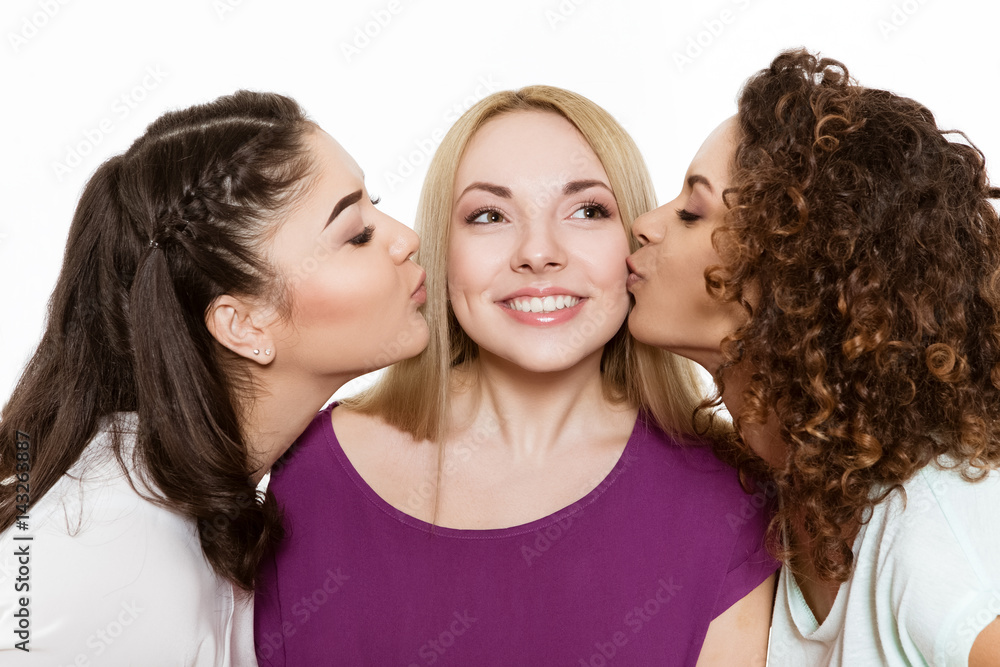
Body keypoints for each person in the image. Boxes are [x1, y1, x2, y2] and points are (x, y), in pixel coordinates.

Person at [254, 85, 778, 666]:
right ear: (441, 251)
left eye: (587, 211)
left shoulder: (731, 498)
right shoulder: (312, 472)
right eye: (490, 215)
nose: (538, 252)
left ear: (634, 242)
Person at [0, 90, 428, 665]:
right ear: (243, 324)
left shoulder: (173, 491)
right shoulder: (110, 552)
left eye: (376, 206)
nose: (407, 239)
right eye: (356, 234)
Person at [626, 48, 1000, 666]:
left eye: (692, 212)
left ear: (796, 279)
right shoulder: (783, 497)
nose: (645, 224)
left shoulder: (935, 535)